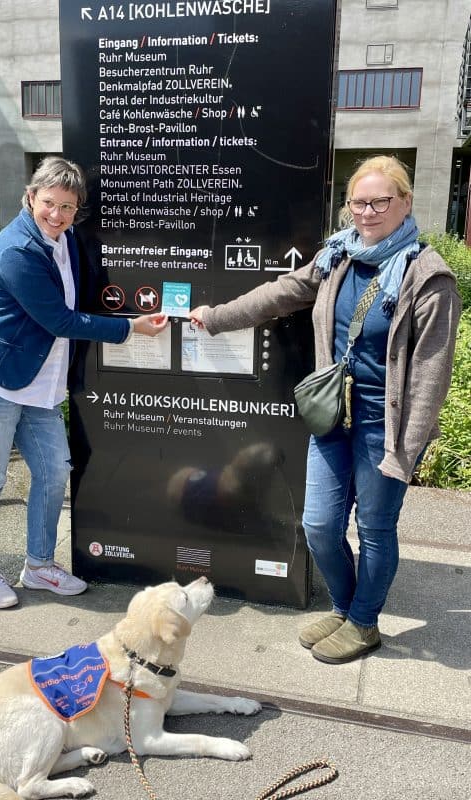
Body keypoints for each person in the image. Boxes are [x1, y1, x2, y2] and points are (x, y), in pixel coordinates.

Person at [189, 155, 461, 664]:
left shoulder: (429, 279)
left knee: (376, 528)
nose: (368, 211)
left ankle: (363, 622)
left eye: (381, 201)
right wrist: (215, 317)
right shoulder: (337, 256)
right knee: (318, 525)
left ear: (405, 202)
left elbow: (430, 377)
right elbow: (279, 293)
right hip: (332, 416)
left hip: (388, 426)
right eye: (359, 201)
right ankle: (345, 607)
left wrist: (409, 450)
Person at [0, 156, 168, 609]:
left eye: (68, 207)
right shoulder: (17, 250)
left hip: (33, 380)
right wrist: (129, 328)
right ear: (30, 197)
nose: (57, 215)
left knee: (53, 471)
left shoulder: (64, 240)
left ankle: (39, 566)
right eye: (49, 203)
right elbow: (58, 319)